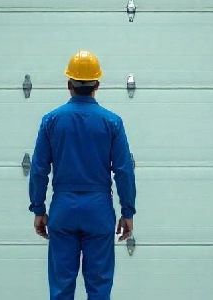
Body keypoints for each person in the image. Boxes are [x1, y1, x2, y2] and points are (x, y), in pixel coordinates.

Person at [28, 49, 137, 300]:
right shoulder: (112, 122)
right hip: (99, 211)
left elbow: (39, 169)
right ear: (97, 84)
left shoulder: (51, 121)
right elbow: (123, 171)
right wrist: (127, 212)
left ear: (69, 84)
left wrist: (38, 209)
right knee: (99, 289)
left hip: (63, 210)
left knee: (61, 289)